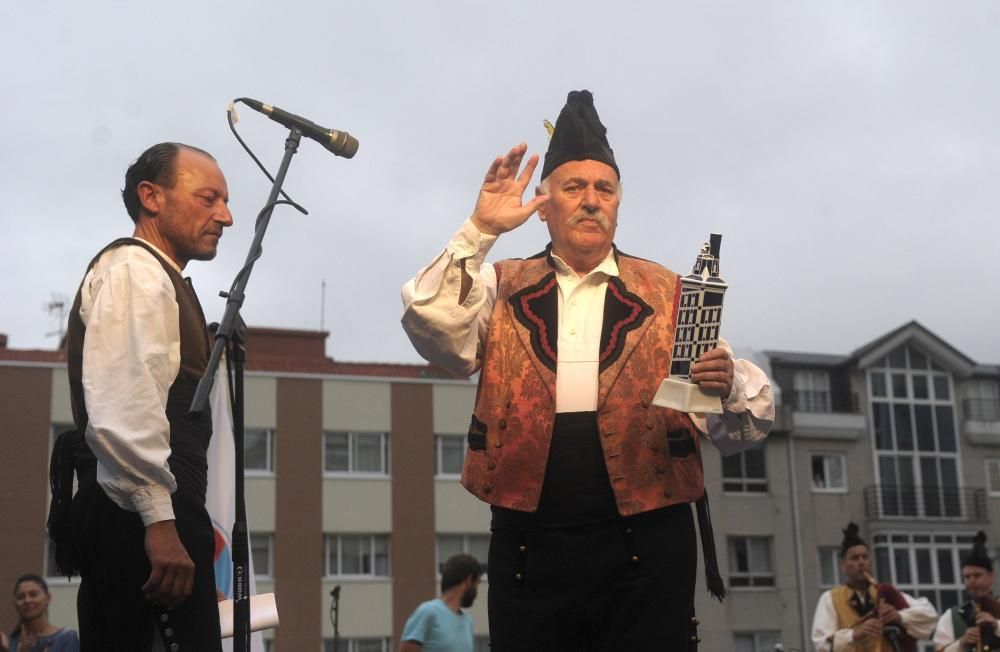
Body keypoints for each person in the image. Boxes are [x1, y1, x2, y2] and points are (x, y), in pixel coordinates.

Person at [401, 90, 775, 651]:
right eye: (573, 188)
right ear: (544, 204)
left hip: (648, 544)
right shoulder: (500, 284)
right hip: (532, 542)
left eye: (604, 189)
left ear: (620, 203)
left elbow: (746, 421)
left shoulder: (670, 292)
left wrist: (727, 385)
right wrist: (479, 229)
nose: (591, 201)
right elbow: (431, 325)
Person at [53, 142, 233, 652]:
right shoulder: (135, 271)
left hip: (151, 511)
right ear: (151, 197)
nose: (226, 215)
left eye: (224, 200)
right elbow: (124, 405)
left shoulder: (156, 276)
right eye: (208, 198)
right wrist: (159, 521)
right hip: (139, 516)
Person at [810, 523, 937, 651]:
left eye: (865, 557)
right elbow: (822, 644)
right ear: (843, 565)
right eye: (855, 558)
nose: (861, 562)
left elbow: (929, 617)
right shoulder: (830, 599)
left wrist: (899, 617)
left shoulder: (885, 593)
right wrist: (854, 635)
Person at [399, 554, 483, 652]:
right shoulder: (428, 612)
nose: (477, 593)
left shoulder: (468, 621)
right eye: (477, 584)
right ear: (469, 580)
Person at [932, 531, 1000, 651]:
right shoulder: (951, 616)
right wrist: (962, 643)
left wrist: (996, 625)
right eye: (967, 577)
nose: (972, 581)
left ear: (992, 577)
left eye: (977, 575)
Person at [0, 574, 78, 652]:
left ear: (48, 598)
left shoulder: (66, 638)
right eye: (21, 597)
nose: (27, 600)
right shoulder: (12, 643)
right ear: (15, 603)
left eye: (33, 595)